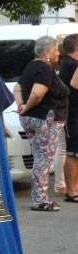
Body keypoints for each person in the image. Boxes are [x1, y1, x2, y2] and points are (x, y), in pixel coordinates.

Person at [14, 36, 68, 211]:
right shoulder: (45, 68)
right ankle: (40, 200)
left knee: (39, 157)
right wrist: (27, 106)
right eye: (56, 50)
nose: (58, 53)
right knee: (44, 159)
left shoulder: (30, 66)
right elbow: (38, 94)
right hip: (46, 119)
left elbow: (17, 88)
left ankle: (39, 197)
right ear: (47, 52)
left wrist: (21, 105)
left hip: (31, 119)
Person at [60, 34, 78, 202]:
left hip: (71, 113)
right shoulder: (72, 65)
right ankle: (72, 191)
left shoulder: (67, 63)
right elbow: (74, 85)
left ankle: (74, 188)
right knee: (73, 153)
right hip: (73, 114)